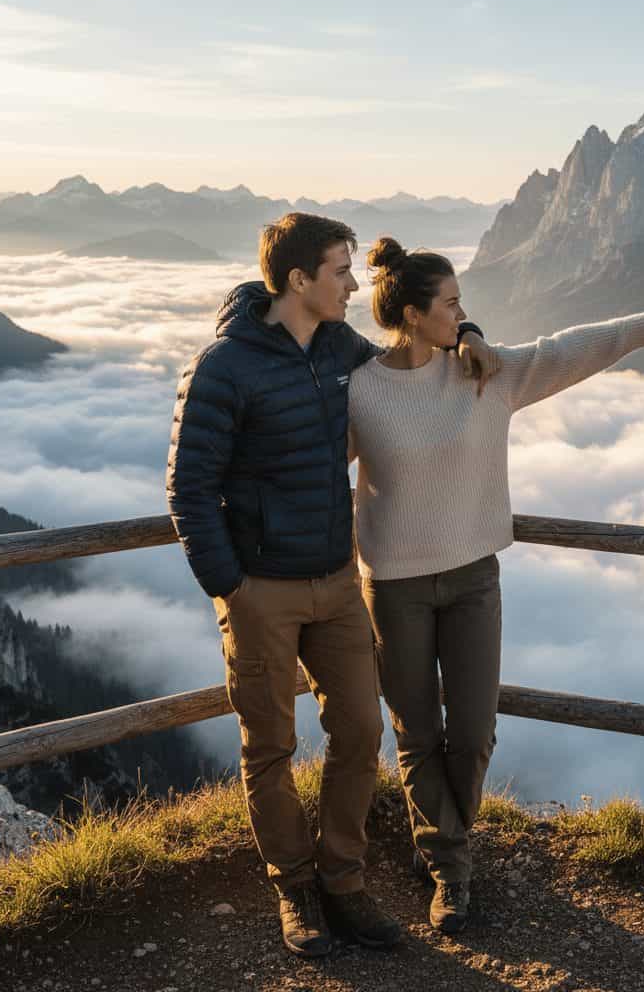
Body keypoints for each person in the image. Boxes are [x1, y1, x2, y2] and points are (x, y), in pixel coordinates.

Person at [348, 236, 644, 934]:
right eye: (452, 302)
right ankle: (452, 870)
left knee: (474, 732)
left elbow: (563, 349)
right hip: (392, 584)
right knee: (417, 732)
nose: (464, 312)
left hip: (474, 576)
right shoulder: (362, 388)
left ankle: (446, 847)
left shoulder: (487, 371)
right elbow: (315, 463)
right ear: (415, 314)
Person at [165, 213, 498, 958]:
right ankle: (296, 890)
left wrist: (468, 331)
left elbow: (412, 342)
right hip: (261, 590)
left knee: (361, 731)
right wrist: (234, 588)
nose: (354, 285)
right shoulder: (222, 367)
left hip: (338, 583)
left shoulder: (342, 351)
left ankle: (344, 882)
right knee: (271, 746)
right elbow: (188, 489)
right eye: (341, 271)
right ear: (298, 281)